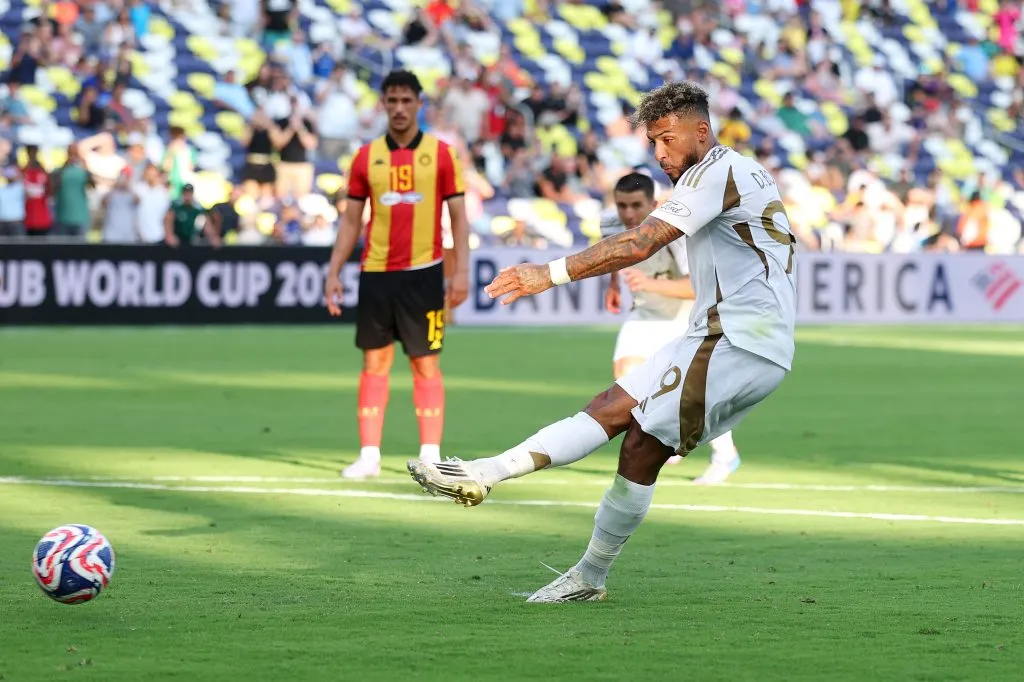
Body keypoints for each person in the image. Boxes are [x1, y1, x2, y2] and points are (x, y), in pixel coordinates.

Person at [408, 81, 797, 602]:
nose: (659, 155)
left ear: (701, 131)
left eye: (667, 140)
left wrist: (548, 273)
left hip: (741, 340)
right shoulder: (735, 170)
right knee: (610, 405)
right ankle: (487, 472)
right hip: (716, 332)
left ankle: (589, 577)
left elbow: (640, 242)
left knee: (640, 447)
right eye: (653, 143)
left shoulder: (715, 173)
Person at [324, 70, 470, 480]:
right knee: (374, 362)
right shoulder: (365, 157)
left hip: (424, 274)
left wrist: (461, 272)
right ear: (383, 105)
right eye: (392, 101)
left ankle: (430, 456)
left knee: (425, 364)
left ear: (419, 105)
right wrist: (334, 270)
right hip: (376, 273)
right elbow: (351, 221)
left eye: (407, 101)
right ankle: (369, 456)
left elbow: (459, 218)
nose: (400, 108)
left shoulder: (442, 154)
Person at [604, 172, 742, 484]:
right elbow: (613, 254)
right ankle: (666, 441)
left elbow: (697, 287)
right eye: (622, 206)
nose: (628, 213)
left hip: (684, 317)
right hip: (644, 313)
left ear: (653, 205)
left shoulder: (675, 233)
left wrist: (649, 283)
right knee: (628, 379)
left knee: (691, 393)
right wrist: (613, 285)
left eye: (636, 206)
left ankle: (725, 455)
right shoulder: (609, 223)